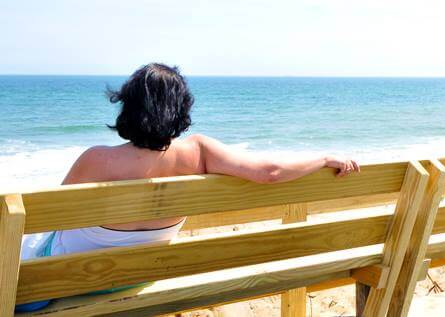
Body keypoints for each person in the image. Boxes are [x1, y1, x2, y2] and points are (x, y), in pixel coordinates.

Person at [17, 63, 359, 312]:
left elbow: (47, 218)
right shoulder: (199, 151)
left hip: (69, 278)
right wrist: (324, 157)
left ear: (128, 107)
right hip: (139, 276)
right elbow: (269, 172)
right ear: (179, 109)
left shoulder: (96, 159)